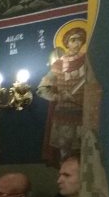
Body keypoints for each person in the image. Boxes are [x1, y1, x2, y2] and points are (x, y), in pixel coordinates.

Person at [37, 27, 86, 166]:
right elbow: (41, 89)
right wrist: (58, 97)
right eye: (73, 40)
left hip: (84, 113)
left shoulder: (87, 60)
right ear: (67, 43)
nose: (76, 43)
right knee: (65, 153)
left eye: (80, 40)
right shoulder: (58, 65)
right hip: (64, 115)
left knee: (84, 153)